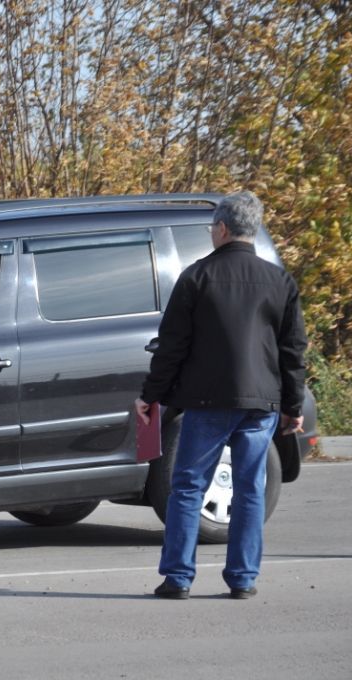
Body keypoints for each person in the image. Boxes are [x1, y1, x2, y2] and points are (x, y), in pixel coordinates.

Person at [134, 190, 307, 600]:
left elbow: (171, 345)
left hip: (207, 402)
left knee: (189, 486)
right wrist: (293, 405)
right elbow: (292, 350)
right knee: (250, 489)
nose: (212, 232)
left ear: (223, 229)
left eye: (213, 226)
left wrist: (151, 395)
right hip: (261, 404)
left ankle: (178, 578)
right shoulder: (281, 281)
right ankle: (243, 579)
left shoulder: (197, 277)